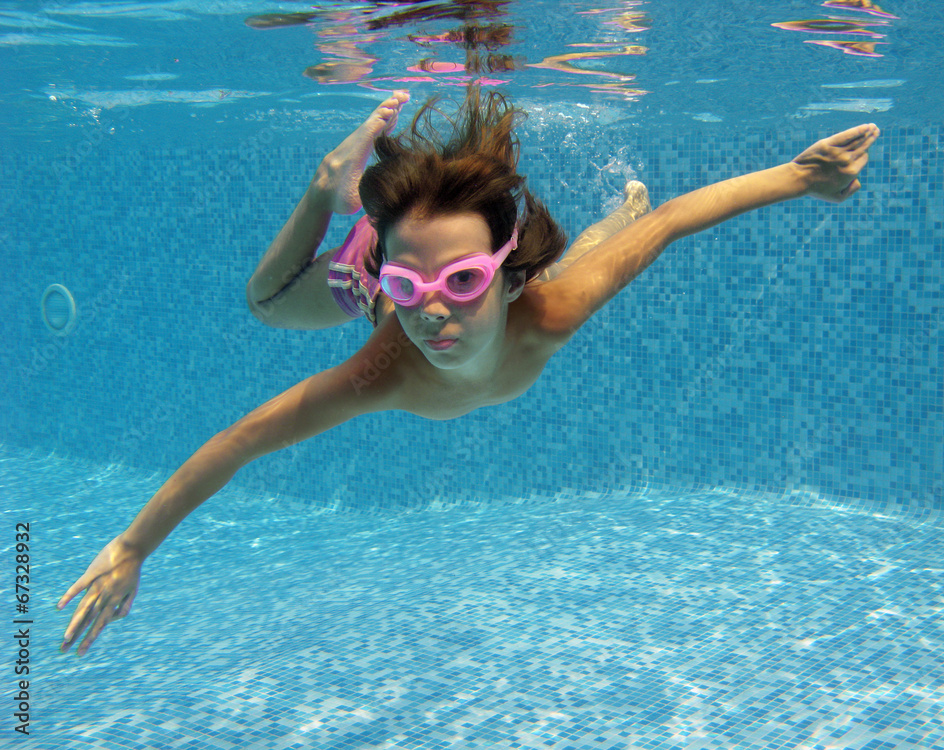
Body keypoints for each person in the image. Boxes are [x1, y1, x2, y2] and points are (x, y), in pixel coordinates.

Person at [57, 88, 880, 656]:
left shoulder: (545, 309)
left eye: (461, 285)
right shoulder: (385, 365)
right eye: (415, 292)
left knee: (596, 254)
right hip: (360, 267)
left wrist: (802, 177)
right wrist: (132, 546)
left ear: (503, 275)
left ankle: (581, 222)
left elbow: (666, 222)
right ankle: (329, 187)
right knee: (265, 303)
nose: (433, 314)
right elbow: (243, 442)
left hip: (473, 263)